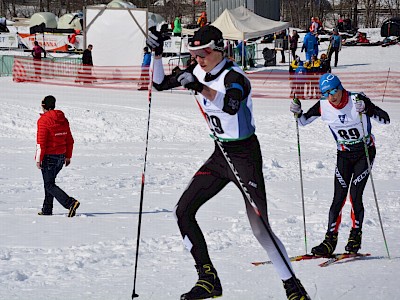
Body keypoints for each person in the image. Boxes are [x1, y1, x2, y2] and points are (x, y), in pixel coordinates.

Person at [146, 24, 310, 300]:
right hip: (220, 153)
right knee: (182, 211)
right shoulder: (198, 70)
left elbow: (231, 105)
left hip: (245, 155)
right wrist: (157, 54)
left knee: (260, 228)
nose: (197, 59)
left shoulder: (235, 76)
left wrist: (198, 86)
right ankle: (208, 279)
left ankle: (293, 287)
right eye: (194, 54)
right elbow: (159, 83)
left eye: (202, 53)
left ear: (218, 49)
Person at [289, 73, 390, 256]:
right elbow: (302, 121)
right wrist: (296, 112)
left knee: (355, 195)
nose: (332, 96)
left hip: (364, 153)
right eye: (326, 92)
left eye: (334, 90)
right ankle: (329, 241)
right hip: (343, 155)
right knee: (338, 198)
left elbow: (386, 118)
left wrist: (367, 109)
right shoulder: (323, 105)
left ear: (341, 87)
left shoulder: (357, 99)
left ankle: (355, 237)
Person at [36, 95, 80, 217]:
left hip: (49, 158)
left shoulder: (43, 121)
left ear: (44, 106)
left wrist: (38, 159)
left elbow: (41, 142)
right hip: (61, 157)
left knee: (49, 184)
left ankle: (70, 203)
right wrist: (68, 156)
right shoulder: (63, 120)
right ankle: (47, 209)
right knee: (49, 183)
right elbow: (69, 140)